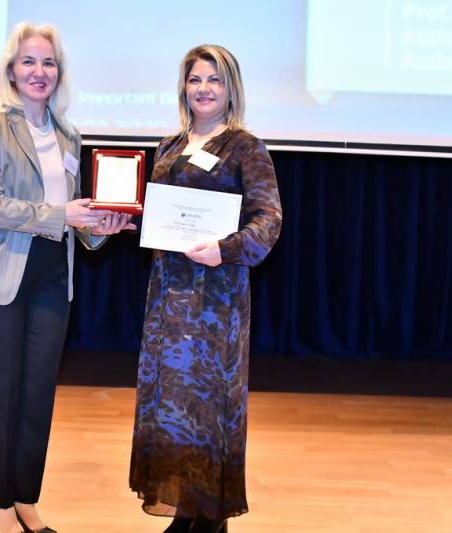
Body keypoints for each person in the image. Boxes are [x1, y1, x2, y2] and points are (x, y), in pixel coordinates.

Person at [0, 22, 134, 533]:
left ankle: (25, 498)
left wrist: (100, 227)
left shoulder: (68, 133)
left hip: (54, 274)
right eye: (28, 61)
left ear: (59, 72)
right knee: (1, 392)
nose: (39, 71)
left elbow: (73, 215)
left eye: (48, 62)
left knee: (37, 394)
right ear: (11, 70)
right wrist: (63, 215)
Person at [129, 45, 282, 533]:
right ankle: (187, 511)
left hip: (215, 301)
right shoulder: (169, 146)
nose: (204, 88)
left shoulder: (245, 147)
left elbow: (269, 220)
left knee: (208, 404)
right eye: (195, 79)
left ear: (230, 88)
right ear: (184, 87)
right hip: (168, 298)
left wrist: (226, 248)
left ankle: (210, 517)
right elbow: (159, 218)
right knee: (171, 404)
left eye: (214, 79)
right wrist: (125, 219)